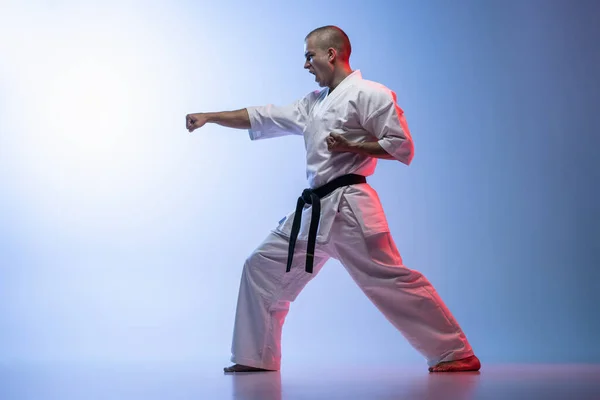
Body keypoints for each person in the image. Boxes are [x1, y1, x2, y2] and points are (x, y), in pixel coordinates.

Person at [185, 25, 481, 373]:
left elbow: (401, 145)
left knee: (389, 280)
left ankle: (454, 352)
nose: (306, 64)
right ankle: (256, 357)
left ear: (331, 54)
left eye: (309, 56)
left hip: (350, 208)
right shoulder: (314, 103)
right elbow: (263, 115)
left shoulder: (371, 94)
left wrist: (353, 145)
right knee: (261, 265)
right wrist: (211, 116)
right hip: (314, 212)